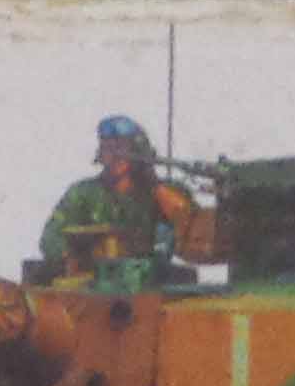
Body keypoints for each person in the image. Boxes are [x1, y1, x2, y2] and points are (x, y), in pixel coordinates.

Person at [39, 117, 201, 281]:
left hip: (150, 281)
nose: (116, 156)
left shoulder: (163, 192)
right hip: (96, 282)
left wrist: (152, 182)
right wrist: (75, 260)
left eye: (123, 148)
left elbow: (190, 223)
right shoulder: (83, 193)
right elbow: (50, 238)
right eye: (109, 149)